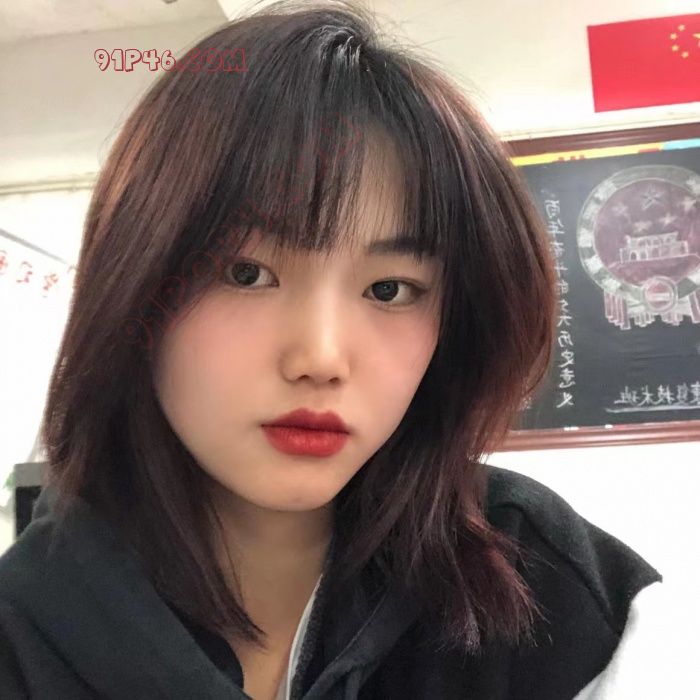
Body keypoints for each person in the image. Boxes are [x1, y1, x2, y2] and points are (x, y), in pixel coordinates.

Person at [0, 1, 662, 698]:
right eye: (245, 273)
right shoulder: (24, 639)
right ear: (134, 288)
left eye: (390, 289)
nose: (320, 358)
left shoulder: (555, 598)